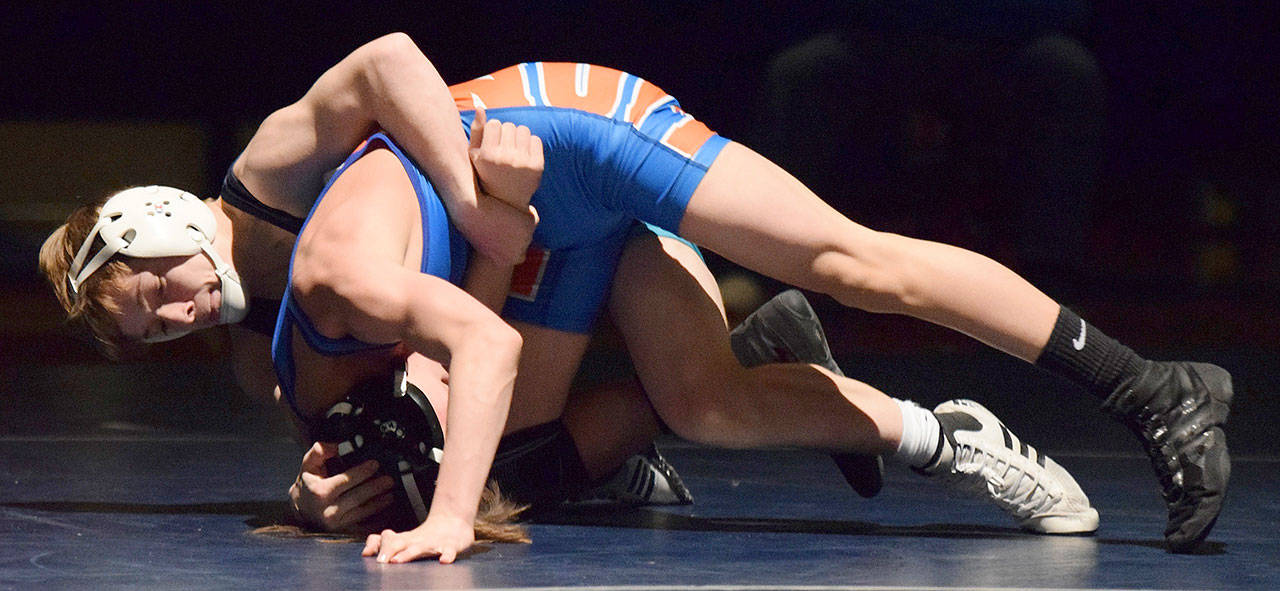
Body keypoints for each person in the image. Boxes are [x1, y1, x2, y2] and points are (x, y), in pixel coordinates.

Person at [42, 34, 1226, 555]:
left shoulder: (271, 174)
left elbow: (392, 60)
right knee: (665, 416)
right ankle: (909, 422)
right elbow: (404, 402)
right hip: (525, 250)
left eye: (153, 293)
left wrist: (471, 198)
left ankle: (1149, 388)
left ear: (158, 223)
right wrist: (319, 497)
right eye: (149, 333)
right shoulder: (270, 349)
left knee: (850, 259)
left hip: (562, 141)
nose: (175, 317)